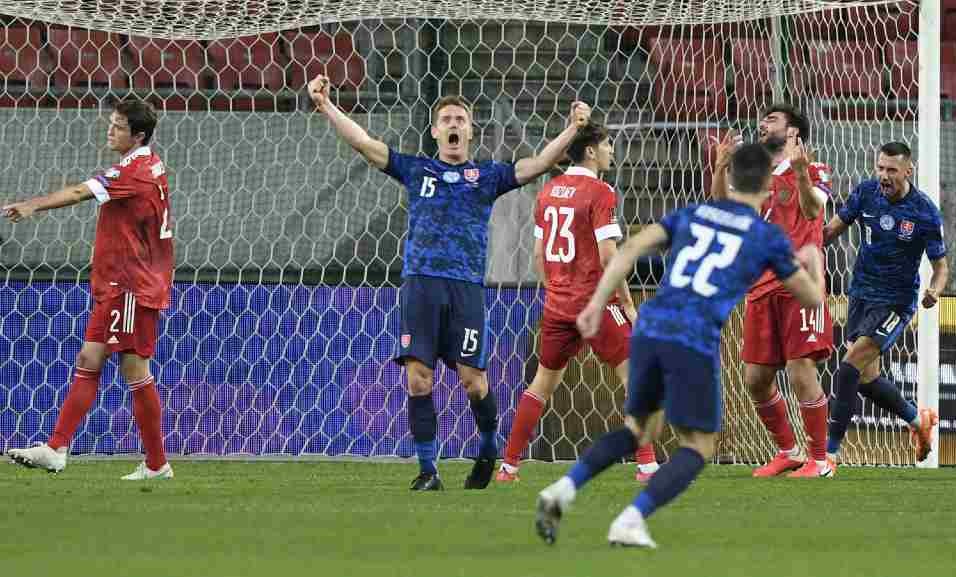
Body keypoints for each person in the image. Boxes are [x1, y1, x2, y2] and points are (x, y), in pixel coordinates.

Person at [307, 75, 590, 490]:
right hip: (420, 284)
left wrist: (573, 129)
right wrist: (326, 105)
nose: (454, 124)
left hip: (466, 289)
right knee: (418, 378)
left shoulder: (487, 175)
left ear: (470, 130)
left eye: (461, 118)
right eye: (447, 119)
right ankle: (428, 471)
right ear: (436, 130)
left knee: (473, 380)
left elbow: (538, 165)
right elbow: (365, 144)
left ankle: (489, 447)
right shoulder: (417, 169)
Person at [535, 143, 825, 548]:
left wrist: (598, 303)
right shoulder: (766, 236)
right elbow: (812, 300)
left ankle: (562, 490)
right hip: (691, 336)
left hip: (651, 326)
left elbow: (632, 248)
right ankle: (632, 519)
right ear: (765, 187)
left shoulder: (694, 213)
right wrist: (813, 259)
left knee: (640, 428)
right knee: (699, 445)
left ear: (733, 177)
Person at [4, 99, 174, 480]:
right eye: (110, 124)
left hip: (132, 285)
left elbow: (82, 192)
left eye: (117, 126)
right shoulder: (148, 163)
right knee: (89, 359)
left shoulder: (136, 170)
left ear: (138, 135)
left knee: (134, 369)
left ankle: (157, 463)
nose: (110, 131)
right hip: (120, 283)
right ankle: (56, 448)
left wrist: (33, 206)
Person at [496, 121, 658, 484]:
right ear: (590, 150)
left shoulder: (548, 190)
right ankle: (647, 465)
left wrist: (556, 292)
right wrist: (627, 303)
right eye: (608, 144)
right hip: (595, 303)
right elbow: (607, 255)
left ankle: (508, 466)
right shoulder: (601, 192)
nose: (612, 150)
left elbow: (538, 255)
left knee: (540, 385)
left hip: (558, 306)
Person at [712, 104, 834, 477]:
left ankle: (820, 460)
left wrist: (799, 174)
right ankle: (789, 450)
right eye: (762, 120)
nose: (763, 125)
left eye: (773, 120)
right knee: (755, 379)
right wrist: (719, 168)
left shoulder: (815, 169)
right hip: (760, 286)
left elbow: (814, 212)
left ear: (794, 131)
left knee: (801, 369)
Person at [822, 141, 945, 463]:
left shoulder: (924, 211)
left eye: (891, 170)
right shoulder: (865, 193)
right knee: (866, 379)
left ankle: (829, 455)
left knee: (848, 369)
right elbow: (831, 230)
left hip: (896, 303)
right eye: (880, 168)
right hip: (861, 295)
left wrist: (935, 290)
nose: (884, 175)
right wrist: (796, 248)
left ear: (908, 170)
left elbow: (941, 267)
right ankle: (920, 422)